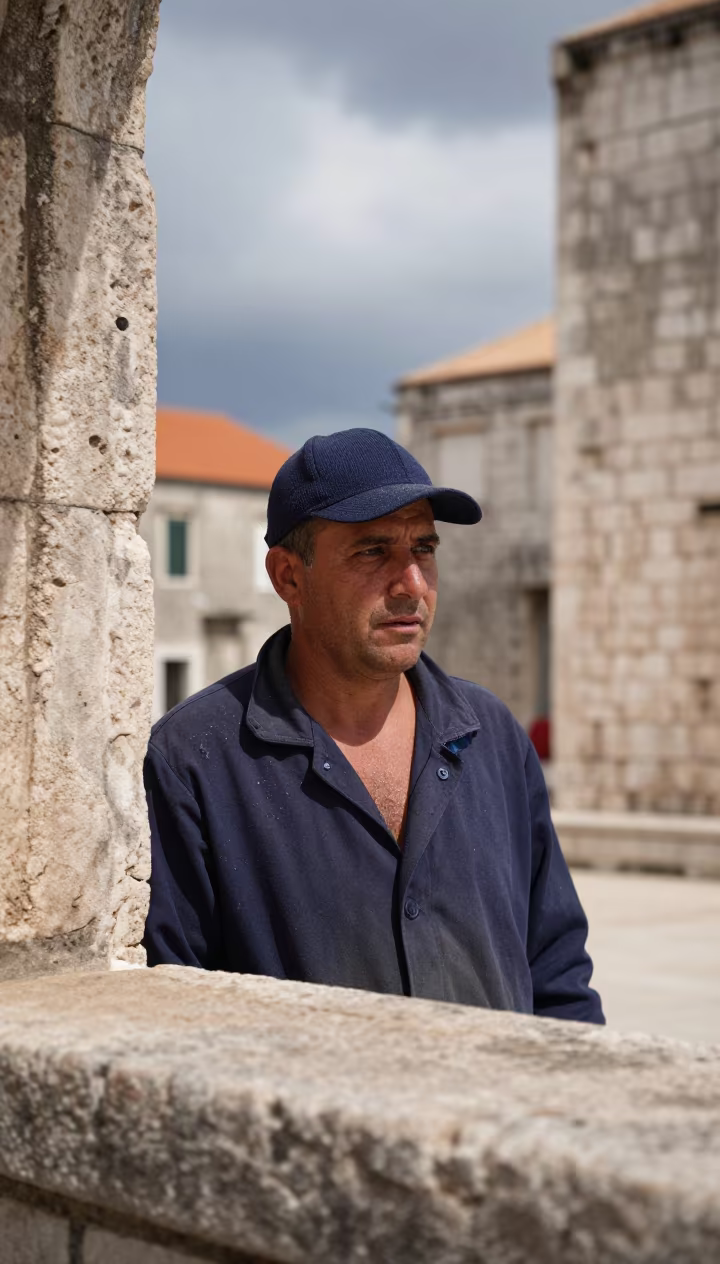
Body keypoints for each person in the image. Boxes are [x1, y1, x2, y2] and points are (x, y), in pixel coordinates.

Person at [144, 428, 603, 1024]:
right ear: (288, 576)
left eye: (424, 549)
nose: (412, 584)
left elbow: (557, 971)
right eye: (372, 552)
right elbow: (175, 1006)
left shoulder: (491, 735)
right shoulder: (194, 760)